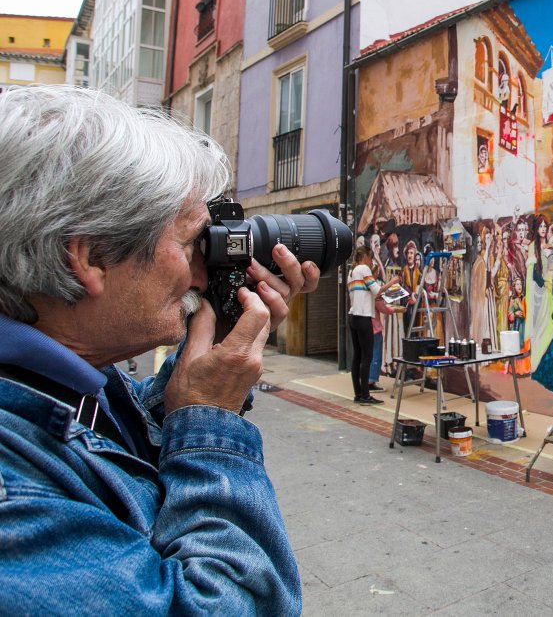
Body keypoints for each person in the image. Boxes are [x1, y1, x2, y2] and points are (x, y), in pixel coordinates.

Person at [0, 85, 321, 614]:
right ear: (90, 257)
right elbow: (227, 604)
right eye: (191, 242)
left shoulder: (67, 377)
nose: (203, 267)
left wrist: (213, 354)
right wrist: (209, 423)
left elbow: (113, 446)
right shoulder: (15, 500)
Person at [348, 246, 402, 404]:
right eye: (370, 258)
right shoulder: (364, 269)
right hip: (364, 316)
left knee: (357, 357)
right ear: (364, 256)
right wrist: (393, 282)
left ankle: (358, 393)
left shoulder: (351, 273)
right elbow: (377, 290)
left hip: (353, 316)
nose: (371, 262)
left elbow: (369, 293)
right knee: (367, 357)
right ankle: (365, 394)